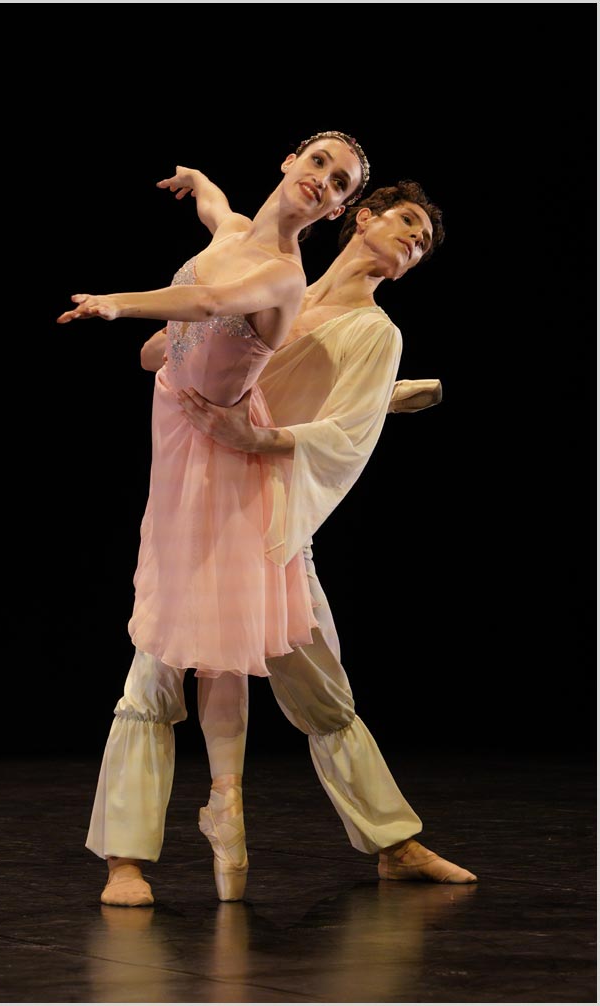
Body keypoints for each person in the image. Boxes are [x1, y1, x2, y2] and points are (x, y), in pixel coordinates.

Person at [57, 132, 371, 906]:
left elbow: (204, 303)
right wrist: (198, 180)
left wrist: (119, 304)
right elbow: (217, 211)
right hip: (181, 441)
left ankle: (209, 815)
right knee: (204, 639)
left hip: (218, 458)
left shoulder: (282, 274)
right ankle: (221, 809)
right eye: (317, 162)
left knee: (204, 640)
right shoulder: (234, 233)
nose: (322, 180)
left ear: (338, 209)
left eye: (339, 183)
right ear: (289, 161)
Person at [140, 169, 477, 890]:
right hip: (204, 501)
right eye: (406, 223)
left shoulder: (375, 331)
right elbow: (179, 348)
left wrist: (260, 437)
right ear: (363, 217)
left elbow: (345, 433)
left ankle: (393, 842)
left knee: (320, 682)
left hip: (273, 516)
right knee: (156, 671)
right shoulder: (280, 281)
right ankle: (125, 856)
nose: (413, 241)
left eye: (422, 245)